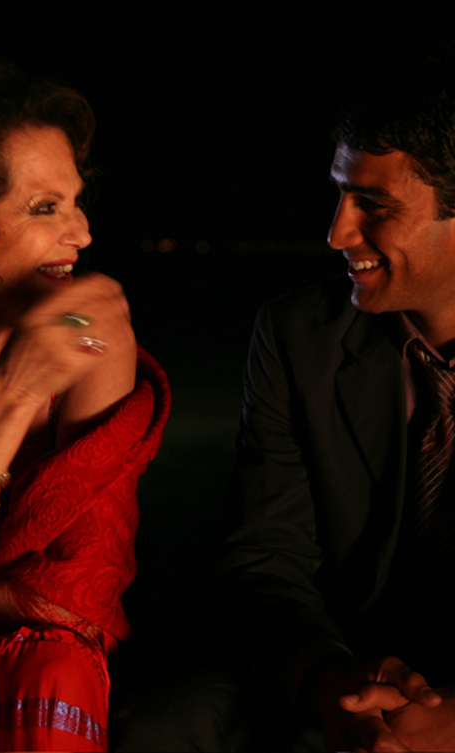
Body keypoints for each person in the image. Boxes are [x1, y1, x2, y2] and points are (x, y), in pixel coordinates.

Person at [0, 51, 170, 752]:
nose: (81, 234)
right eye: (45, 208)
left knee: (53, 667)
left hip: (32, 697)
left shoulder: (90, 338)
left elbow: (75, 601)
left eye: (76, 201)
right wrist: (12, 399)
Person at [220, 50, 455, 752]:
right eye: (341, 195)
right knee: (164, 724)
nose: (337, 234)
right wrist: (334, 684)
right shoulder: (298, 335)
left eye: (373, 205)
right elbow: (264, 558)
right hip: (338, 671)